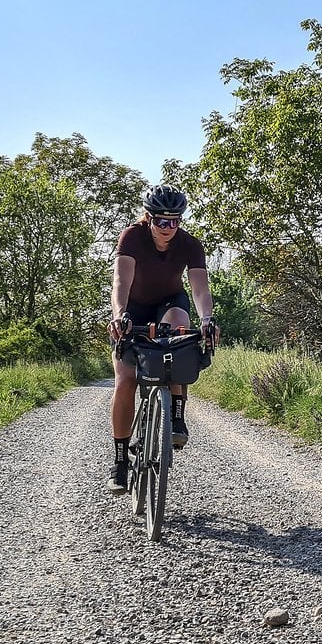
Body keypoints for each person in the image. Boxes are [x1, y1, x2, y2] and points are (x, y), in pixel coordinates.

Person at [105, 184, 215, 493]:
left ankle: (176, 417)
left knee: (180, 330)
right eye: (161, 221)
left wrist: (207, 319)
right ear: (148, 218)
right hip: (134, 308)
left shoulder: (190, 245)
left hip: (169, 302)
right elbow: (120, 282)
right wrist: (119, 314)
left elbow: (199, 289)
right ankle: (120, 461)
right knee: (126, 381)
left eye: (175, 221)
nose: (168, 228)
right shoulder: (131, 237)